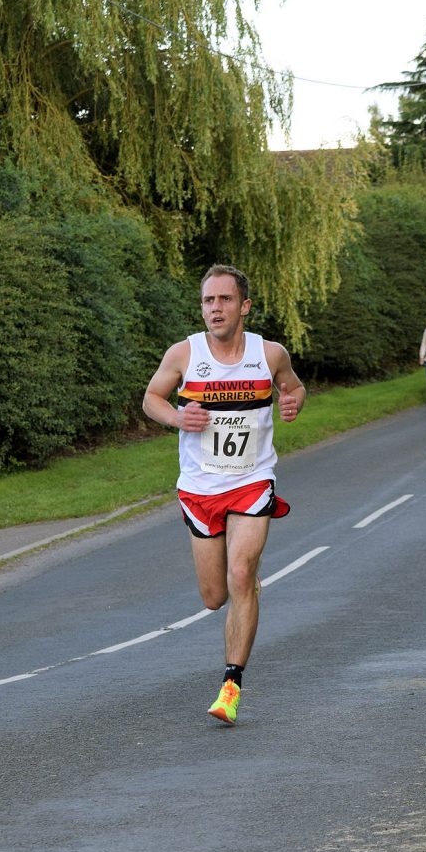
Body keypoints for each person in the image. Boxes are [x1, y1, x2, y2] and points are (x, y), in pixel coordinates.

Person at [142, 264, 305, 726]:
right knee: (215, 596)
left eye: (225, 300)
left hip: (252, 479)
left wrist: (294, 401)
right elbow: (151, 398)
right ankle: (244, 585)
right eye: (208, 301)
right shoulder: (184, 354)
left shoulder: (269, 354)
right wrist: (177, 419)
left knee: (239, 571)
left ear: (244, 306)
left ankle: (231, 685)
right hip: (199, 489)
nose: (215, 308)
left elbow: (293, 387)